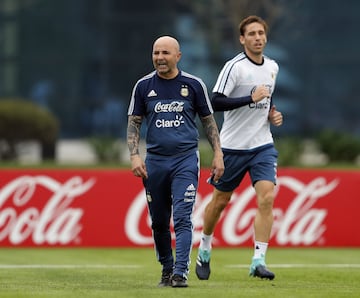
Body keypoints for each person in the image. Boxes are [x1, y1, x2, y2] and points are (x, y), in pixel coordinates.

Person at [127, 35, 224, 288]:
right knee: (159, 221)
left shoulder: (193, 85)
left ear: (178, 56)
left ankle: (180, 273)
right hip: (155, 162)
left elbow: (208, 121)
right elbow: (134, 122)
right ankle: (167, 268)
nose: (160, 58)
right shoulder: (143, 86)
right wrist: (134, 154)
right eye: (156, 53)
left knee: (182, 217)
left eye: (165, 53)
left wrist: (218, 153)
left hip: (185, 160)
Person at [195, 15, 283, 281]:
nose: (258, 37)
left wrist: (272, 114)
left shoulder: (272, 67)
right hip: (232, 147)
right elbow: (215, 102)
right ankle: (205, 248)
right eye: (252, 34)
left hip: (262, 146)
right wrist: (249, 98)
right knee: (220, 202)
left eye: (261, 33)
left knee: (267, 197)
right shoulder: (235, 67)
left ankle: (258, 260)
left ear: (265, 37)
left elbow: (268, 99)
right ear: (242, 39)